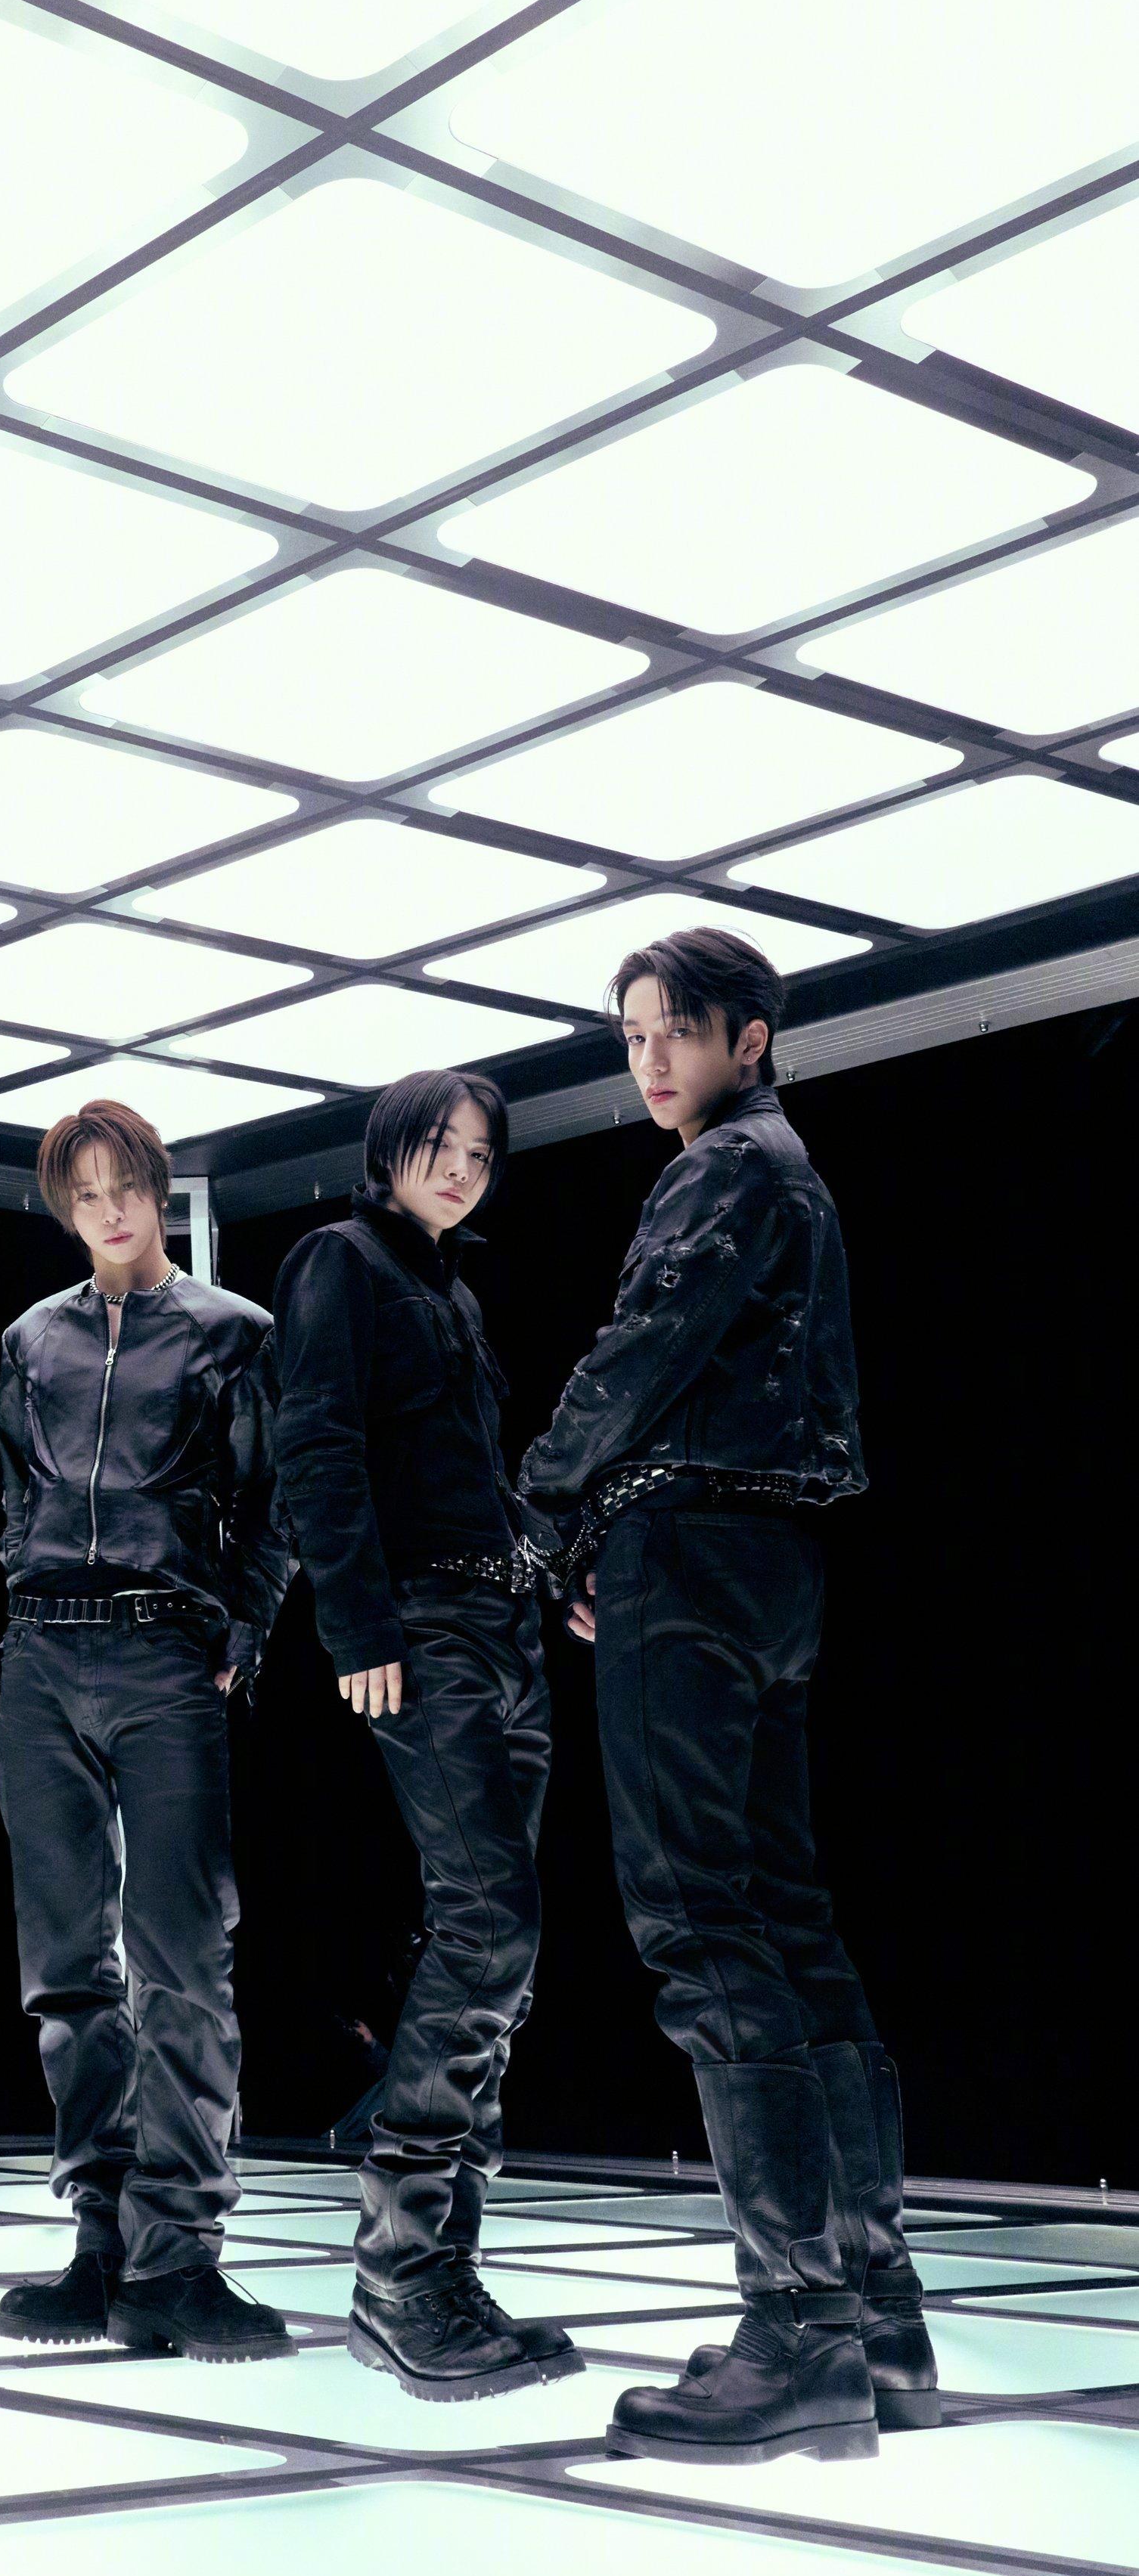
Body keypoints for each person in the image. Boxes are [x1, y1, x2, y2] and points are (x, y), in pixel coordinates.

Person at [520, 926, 930, 2466]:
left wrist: (538, 1511)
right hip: (772, 1563)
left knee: (703, 1928)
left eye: (672, 1031)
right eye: (630, 1034)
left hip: (687, 1559)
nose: (647, 1060)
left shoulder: (727, 1168)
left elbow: (643, 1349)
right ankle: (873, 2312)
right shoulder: (790, 1169)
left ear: (747, 1036)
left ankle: (796, 2328)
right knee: (787, 1924)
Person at [272, 1071, 579, 2404]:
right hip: (424, 1627)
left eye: (480, 1155)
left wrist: (549, 1565)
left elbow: (473, 1470)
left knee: (502, 1941)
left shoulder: (452, 1292)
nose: (461, 1170)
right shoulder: (337, 1262)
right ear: (386, 1149)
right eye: (439, 1147)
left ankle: (443, 2263)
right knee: (488, 1924)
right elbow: (316, 1445)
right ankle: (398, 2272)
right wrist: (355, 1626)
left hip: (502, 1625)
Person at [0, 1102, 294, 2361]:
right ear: (64, 1206)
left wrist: (244, 1623)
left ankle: (181, 2254)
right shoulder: (29, 1339)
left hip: (166, 1651)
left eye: (126, 1186)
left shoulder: (235, 1332)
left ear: (159, 1189)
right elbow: (17, 1495)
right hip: (38, 1653)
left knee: (182, 1955)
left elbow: (275, 1500)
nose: (110, 1210)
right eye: (86, 1192)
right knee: (67, 1964)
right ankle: (101, 2240)